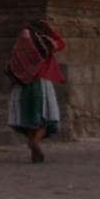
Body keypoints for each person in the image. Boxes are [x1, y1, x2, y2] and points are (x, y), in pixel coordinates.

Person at [6, 18, 65, 163]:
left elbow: (13, 63)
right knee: (47, 118)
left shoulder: (21, 44)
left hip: (21, 85)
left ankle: (33, 145)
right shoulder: (45, 42)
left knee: (28, 118)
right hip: (41, 84)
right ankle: (35, 142)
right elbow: (61, 43)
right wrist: (51, 31)